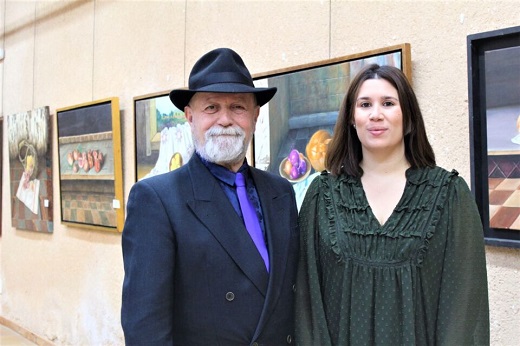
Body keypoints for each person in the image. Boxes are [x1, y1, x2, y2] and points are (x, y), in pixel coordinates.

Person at [295, 64, 489, 345]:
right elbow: (307, 301)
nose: (376, 114)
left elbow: (464, 305)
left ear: (408, 117)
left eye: (388, 103)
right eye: (365, 105)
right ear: (351, 118)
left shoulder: (448, 195)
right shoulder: (321, 195)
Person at [121, 48, 299, 345]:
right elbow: (145, 327)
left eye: (238, 107)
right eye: (211, 108)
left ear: (255, 116)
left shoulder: (280, 192)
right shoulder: (156, 200)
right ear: (190, 117)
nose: (225, 120)